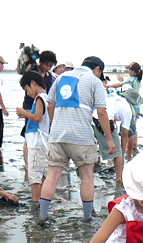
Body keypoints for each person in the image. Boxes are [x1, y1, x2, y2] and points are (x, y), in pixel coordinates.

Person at [38, 56, 115, 223]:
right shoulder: (95, 82)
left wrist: (55, 125)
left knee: (52, 175)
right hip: (82, 137)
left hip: (57, 135)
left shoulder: (60, 78)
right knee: (87, 176)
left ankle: (42, 216)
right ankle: (87, 217)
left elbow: (50, 105)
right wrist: (109, 140)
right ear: (98, 70)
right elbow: (102, 112)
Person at [20, 51, 57, 182]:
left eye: (51, 65)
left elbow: (38, 117)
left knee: (38, 130)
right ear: (41, 62)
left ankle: (36, 165)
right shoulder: (32, 70)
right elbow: (22, 76)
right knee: (28, 133)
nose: (48, 68)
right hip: (31, 104)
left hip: (41, 103)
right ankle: (28, 164)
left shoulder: (49, 77)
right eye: (46, 64)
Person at [16, 71, 51, 203]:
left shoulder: (39, 98)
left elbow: (37, 117)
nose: (27, 93)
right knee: (42, 174)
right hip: (42, 141)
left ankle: (36, 203)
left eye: (27, 89)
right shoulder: (46, 97)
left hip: (37, 142)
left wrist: (24, 113)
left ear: (33, 83)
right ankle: (44, 199)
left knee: (35, 176)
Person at [95, 89, 140, 186]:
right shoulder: (127, 109)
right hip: (102, 120)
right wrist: (122, 154)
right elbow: (125, 134)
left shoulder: (114, 96)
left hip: (92, 118)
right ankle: (119, 179)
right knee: (117, 152)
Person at [107, 63, 143, 159]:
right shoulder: (137, 80)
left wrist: (109, 86)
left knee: (128, 128)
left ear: (133, 72)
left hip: (130, 103)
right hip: (136, 104)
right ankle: (133, 146)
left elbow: (120, 85)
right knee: (133, 127)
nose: (128, 71)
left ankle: (127, 149)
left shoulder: (132, 79)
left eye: (129, 70)